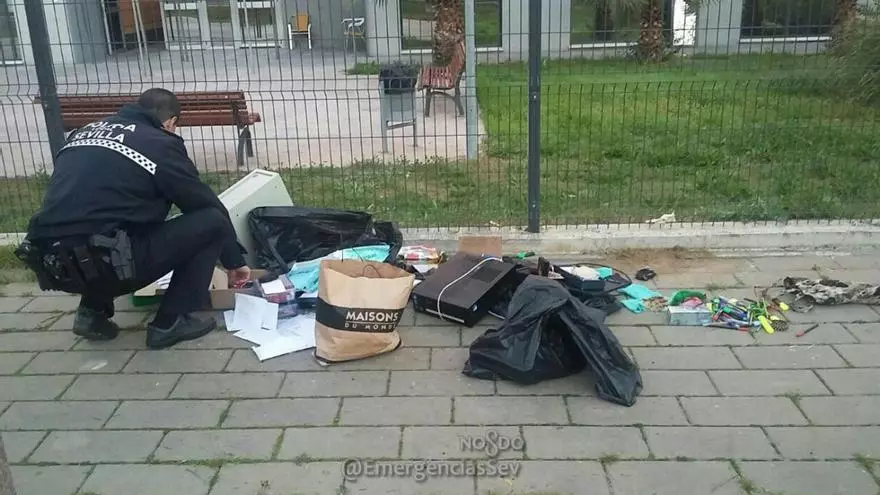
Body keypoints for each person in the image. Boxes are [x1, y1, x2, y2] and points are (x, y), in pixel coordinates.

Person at [19, 88, 250, 349]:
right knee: (211, 222)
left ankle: (91, 314)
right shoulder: (159, 144)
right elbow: (203, 204)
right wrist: (234, 260)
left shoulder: (83, 132)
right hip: (109, 265)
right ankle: (170, 323)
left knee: (100, 226)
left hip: (51, 264)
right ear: (171, 122)